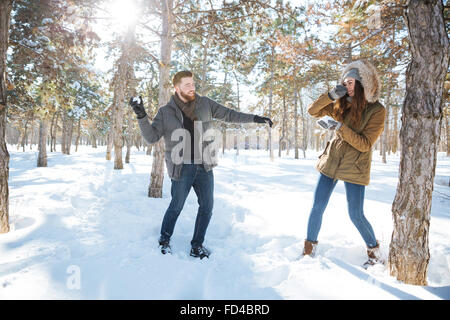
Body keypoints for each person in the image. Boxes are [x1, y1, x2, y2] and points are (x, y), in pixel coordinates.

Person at [129, 70, 273, 259]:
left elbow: (229, 115)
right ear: (177, 88)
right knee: (176, 206)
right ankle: (164, 240)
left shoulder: (205, 103)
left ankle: (197, 245)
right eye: (187, 85)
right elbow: (151, 137)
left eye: (193, 84)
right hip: (181, 167)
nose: (192, 88)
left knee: (207, 207)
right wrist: (141, 116)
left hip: (204, 165)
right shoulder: (166, 112)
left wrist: (255, 118)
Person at [303, 60, 386, 268]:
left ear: (362, 84)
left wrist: (339, 127)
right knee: (317, 207)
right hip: (331, 161)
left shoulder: (376, 110)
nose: (346, 86)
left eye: (350, 83)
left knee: (355, 214)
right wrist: (331, 95)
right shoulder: (340, 103)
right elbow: (313, 111)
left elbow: (365, 144)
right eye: (344, 82)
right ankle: (308, 250)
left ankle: (374, 251)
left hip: (355, 166)